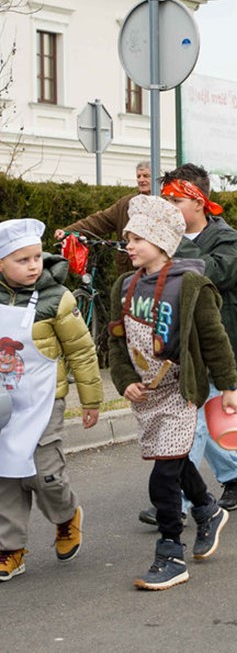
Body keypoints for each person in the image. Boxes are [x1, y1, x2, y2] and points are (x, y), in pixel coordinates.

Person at [107, 196, 237, 590]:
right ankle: (208, 510)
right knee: (177, 462)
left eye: (137, 239)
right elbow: (115, 340)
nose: (128, 245)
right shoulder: (123, 285)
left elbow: (214, 338)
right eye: (128, 238)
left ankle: (170, 554)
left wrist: (229, 386)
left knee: (163, 473)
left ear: (162, 242)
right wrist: (123, 378)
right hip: (146, 393)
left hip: (181, 390)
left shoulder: (191, 284)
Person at [0, 219, 102, 583]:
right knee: (6, 475)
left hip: (45, 401)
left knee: (45, 472)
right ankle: (9, 548)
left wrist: (91, 400)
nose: (32, 265)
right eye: (21, 260)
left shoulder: (58, 299)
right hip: (4, 406)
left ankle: (65, 517)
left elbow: (82, 352)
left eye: (35, 258)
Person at [151, 164, 237, 516]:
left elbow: (218, 270)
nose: (168, 207)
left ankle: (176, 501)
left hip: (214, 345)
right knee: (199, 418)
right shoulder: (165, 240)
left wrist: (171, 255)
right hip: (179, 342)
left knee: (190, 421)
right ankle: (234, 472)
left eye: (175, 200)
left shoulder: (226, 237)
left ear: (198, 202)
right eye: (165, 200)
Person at [55, 160, 153, 273]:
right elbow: (99, 221)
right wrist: (68, 231)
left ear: (155, 177)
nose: (141, 180)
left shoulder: (166, 204)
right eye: (138, 176)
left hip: (153, 270)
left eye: (146, 176)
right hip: (128, 272)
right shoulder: (125, 203)